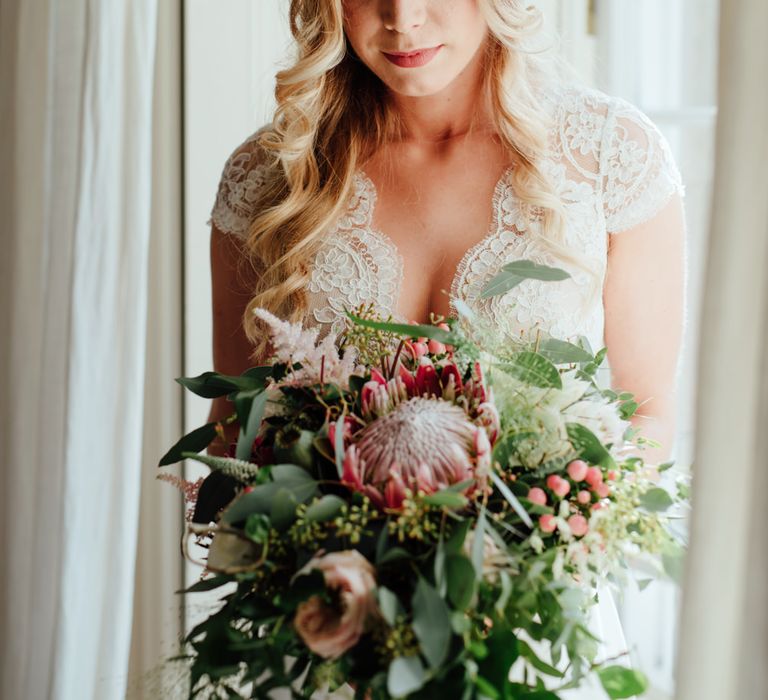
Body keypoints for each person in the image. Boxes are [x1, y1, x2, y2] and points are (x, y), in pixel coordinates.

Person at [205, 0, 686, 696]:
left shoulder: (609, 156)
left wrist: (529, 550)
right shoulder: (268, 181)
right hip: (339, 640)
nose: (403, 18)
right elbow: (235, 434)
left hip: (530, 629)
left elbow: (648, 412)